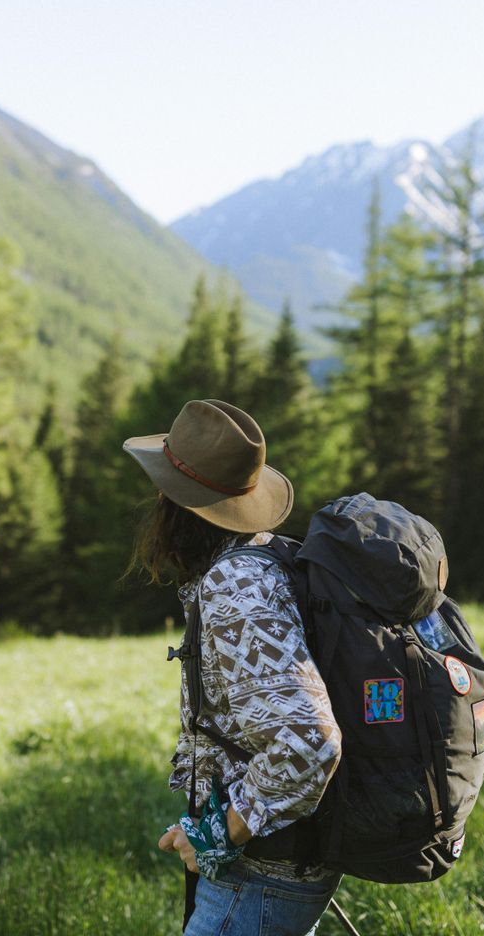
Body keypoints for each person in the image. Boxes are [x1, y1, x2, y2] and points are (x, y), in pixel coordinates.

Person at [123, 398, 344, 936]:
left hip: (261, 875)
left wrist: (218, 834)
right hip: (278, 868)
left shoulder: (236, 588)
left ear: (176, 504)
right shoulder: (264, 558)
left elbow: (308, 742)